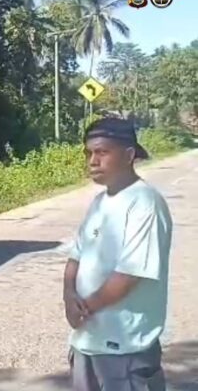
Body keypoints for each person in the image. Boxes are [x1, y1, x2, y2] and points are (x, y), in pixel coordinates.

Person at [63, 117, 173, 391]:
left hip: (125, 349)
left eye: (102, 152)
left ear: (129, 155)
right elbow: (76, 256)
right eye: (89, 153)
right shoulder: (99, 202)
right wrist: (68, 296)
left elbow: (129, 275)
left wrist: (84, 308)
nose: (92, 161)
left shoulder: (144, 203)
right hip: (87, 342)